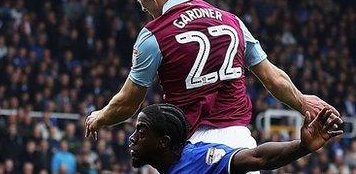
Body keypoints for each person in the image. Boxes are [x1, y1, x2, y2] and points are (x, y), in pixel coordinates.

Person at [85, 0, 339, 150]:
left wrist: (101, 117)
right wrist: (303, 101)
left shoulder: (153, 35)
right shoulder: (232, 21)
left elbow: (128, 103)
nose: (144, 9)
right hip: (241, 146)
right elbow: (273, 78)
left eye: (141, 1)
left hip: (192, 150)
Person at [129, 104, 343, 173]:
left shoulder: (200, 158)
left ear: (163, 141)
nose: (132, 138)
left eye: (141, 131)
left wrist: (303, 147)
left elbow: (258, 157)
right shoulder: (169, 165)